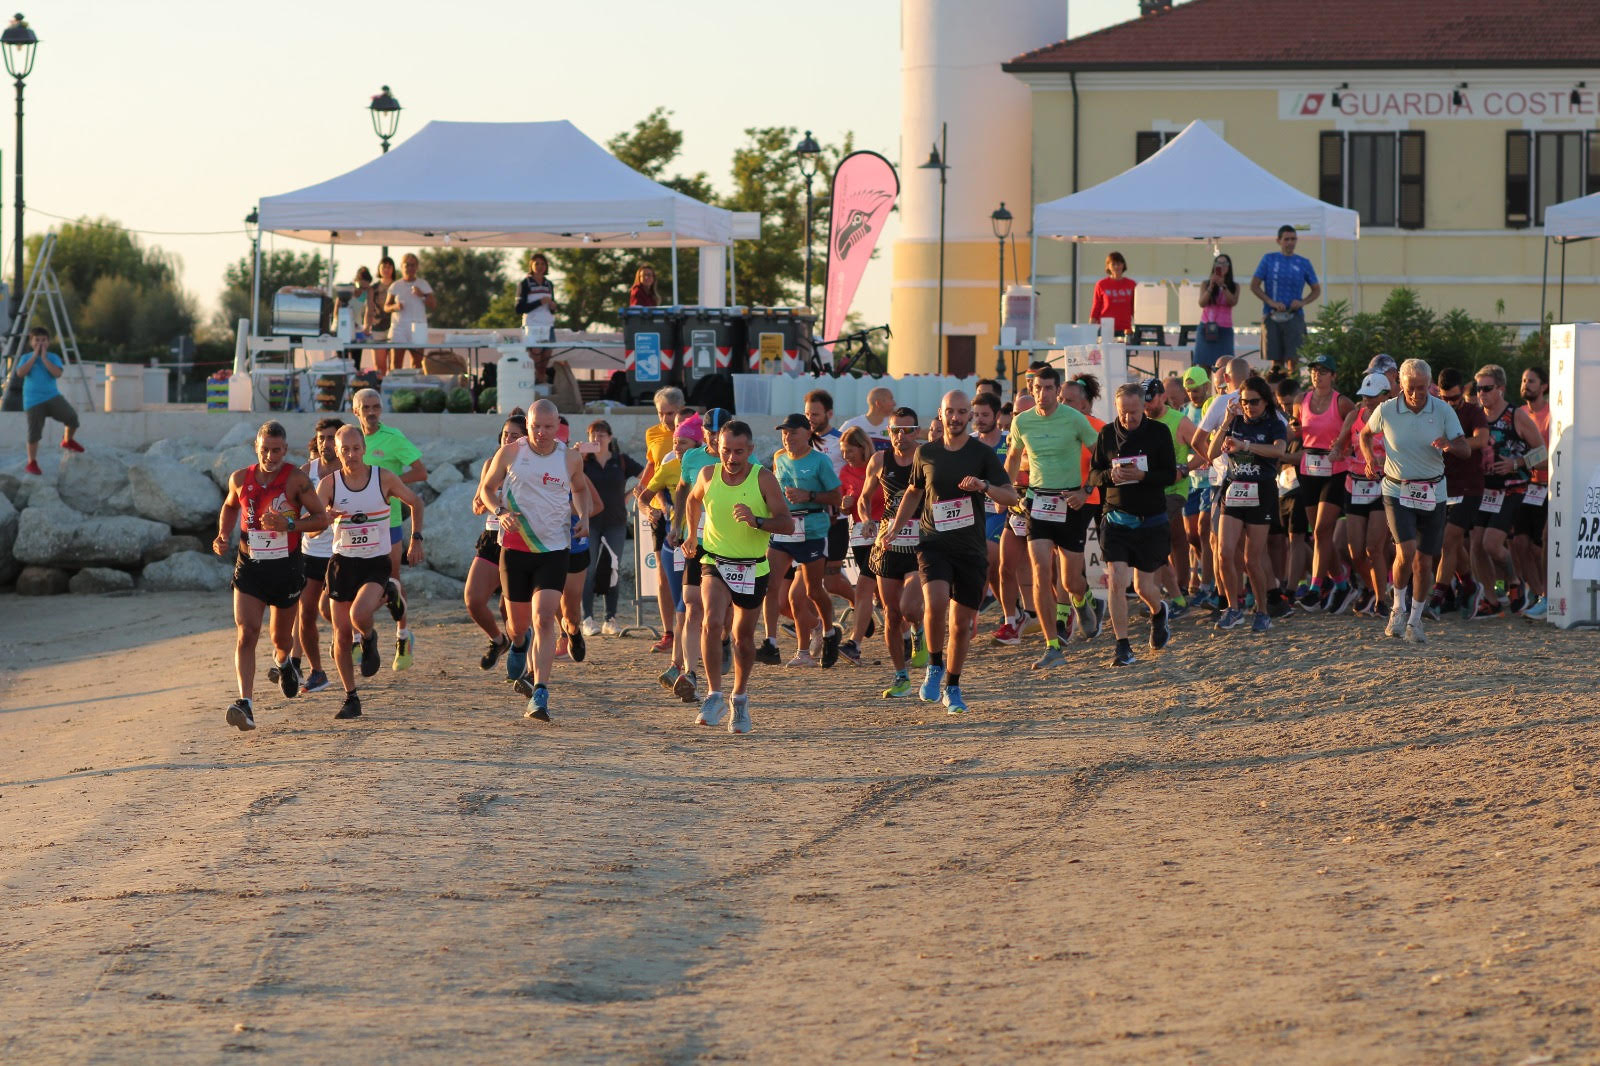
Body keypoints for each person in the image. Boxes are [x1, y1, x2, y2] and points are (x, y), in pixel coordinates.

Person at [880, 390, 1017, 714]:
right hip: (933, 542)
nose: (954, 418)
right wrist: (896, 526)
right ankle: (935, 665)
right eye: (949, 412)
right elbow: (913, 492)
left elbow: (1009, 497)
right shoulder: (926, 453)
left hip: (970, 548)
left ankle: (953, 687)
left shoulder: (981, 454)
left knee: (961, 624)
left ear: (969, 415)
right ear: (940, 415)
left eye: (960, 412)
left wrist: (984, 487)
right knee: (937, 601)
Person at [477, 399, 592, 720]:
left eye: (548, 427)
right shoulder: (512, 452)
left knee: (543, 618)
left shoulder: (569, 458)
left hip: (554, 550)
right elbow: (487, 489)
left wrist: (583, 515)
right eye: (535, 427)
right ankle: (516, 643)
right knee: (519, 626)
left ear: (558, 427)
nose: (541, 433)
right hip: (514, 550)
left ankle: (540, 692)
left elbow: (580, 490)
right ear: (527, 425)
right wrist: (499, 511)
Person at [213, 420, 331, 731]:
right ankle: (246, 704)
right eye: (265, 450)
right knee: (247, 632)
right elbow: (228, 507)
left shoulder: (297, 480)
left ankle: (284, 664)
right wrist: (223, 534)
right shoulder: (240, 478)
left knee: (281, 638)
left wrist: (290, 526)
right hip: (249, 567)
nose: (270, 456)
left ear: (285, 449)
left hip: (286, 568)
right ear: (256, 448)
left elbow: (321, 519)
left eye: (276, 450)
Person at [683, 419, 795, 734]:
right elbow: (693, 501)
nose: (731, 459)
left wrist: (756, 520)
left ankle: (740, 697)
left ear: (750, 450)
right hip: (715, 560)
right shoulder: (707, 474)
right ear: (717, 448)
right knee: (711, 621)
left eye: (739, 452)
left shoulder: (764, 479)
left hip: (752, 566)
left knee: (742, 637)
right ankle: (714, 695)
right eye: (726, 451)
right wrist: (692, 535)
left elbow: (786, 524)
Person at [316, 425, 425, 721]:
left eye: (355, 448)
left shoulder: (383, 478)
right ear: (336, 452)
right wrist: (324, 519)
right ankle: (351, 697)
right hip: (342, 563)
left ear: (364, 449)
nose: (351, 454)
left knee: (359, 615)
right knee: (339, 635)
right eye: (344, 449)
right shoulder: (329, 485)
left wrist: (415, 539)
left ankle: (369, 634)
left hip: (375, 561)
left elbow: (415, 502)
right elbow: (312, 528)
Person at [1360, 358, 1468, 644]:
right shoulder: (1386, 410)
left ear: (1429, 384)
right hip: (1397, 489)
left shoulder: (1442, 410)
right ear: (1400, 384)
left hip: (1434, 491)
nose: (1417, 393)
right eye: (1411, 387)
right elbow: (1364, 434)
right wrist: (1370, 458)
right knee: (1405, 551)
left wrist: (1450, 445)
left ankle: (1415, 620)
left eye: (1422, 387)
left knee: (1424, 561)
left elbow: (1465, 448)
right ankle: (1397, 608)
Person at [1005, 365, 1102, 669]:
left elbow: (1101, 456)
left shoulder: (1074, 419)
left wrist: (1086, 492)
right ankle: (1052, 645)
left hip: (1070, 501)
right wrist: (1006, 492)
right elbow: (1011, 457)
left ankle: (1082, 598)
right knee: (1040, 569)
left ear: (1057, 390)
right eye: (1038, 388)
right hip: (1037, 501)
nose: (1043, 394)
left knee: (1070, 579)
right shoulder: (1022, 421)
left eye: (1049, 388)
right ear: (1031, 389)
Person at [1090, 383, 1179, 666]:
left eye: (1134, 412)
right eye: (1123, 413)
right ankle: (1122, 646)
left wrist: (1142, 476)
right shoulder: (1106, 434)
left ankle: (1158, 610)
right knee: (1117, 581)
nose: (1128, 418)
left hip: (1151, 520)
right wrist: (1109, 476)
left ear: (1144, 407)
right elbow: (1093, 474)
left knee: (1144, 588)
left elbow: (1169, 475)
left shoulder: (1158, 432)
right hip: (1116, 518)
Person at [353, 388, 428, 670]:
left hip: (389, 521)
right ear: (355, 411)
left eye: (376, 407)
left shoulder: (393, 438)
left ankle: (403, 636)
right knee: (354, 579)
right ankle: (359, 637)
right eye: (366, 407)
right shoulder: (350, 440)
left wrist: (390, 485)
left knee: (392, 580)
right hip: (354, 522)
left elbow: (421, 472)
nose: (372, 412)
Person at [762, 412, 843, 668]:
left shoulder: (820, 461)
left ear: (807, 433)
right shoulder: (778, 458)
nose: (787, 438)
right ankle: (770, 644)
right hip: (784, 527)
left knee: (812, 591)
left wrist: (807, 494)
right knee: (770, 586)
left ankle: (829, 633)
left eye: (792, 432)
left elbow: (836, 496)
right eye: (784, 433)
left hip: (812, 528)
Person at [1467, 363, 1546, 620]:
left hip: (1514, 488)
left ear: (1500, 389)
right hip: (1485, 489)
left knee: (1492, 544)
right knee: (1476, 546)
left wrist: (1516, 463)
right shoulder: (1477, 416)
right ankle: (1490, 599)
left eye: (1487, 388)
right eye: (1479, 389)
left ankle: (1514, 581)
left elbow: (1543, 452)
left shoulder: (1516, 415)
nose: (1482, 394)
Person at [667, 408, 733, 704]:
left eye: (719, 430)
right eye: (709, 431)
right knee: (692, 603)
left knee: (723, 608)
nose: (714, 436)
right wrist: (678, 524)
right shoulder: (693, 458)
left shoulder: (741, 457)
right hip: (699, 539)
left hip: (732, 543)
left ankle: (724, 639)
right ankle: (691, 673)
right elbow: (682, 490)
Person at [1214, 375, 1289, 634]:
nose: (1248, 407)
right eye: (1244, 402)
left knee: (1251, 559)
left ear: (1266, 401)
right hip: (1234, 489)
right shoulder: (1235, 420)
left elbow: (1279, 451)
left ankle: (1262, 610)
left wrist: (1245, 445)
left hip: (1261, 492)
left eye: (1254, 402)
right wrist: (1225, 422)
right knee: (1224, 552)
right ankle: (1233, 608)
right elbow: (1211, 452)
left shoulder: (1274, 423)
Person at [862, 407, 926, 698]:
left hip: (920, 542)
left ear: (917, 431)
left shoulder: (926, 458)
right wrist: (866, 520)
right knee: (891, 613)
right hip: (888, 542)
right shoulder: (879, 460)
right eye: (894, 431)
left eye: (906, 430)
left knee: (910, 608)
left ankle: (918, 631)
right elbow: (864, 498)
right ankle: (901, 676)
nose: (900, 436)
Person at [1291, 354, 1356, 611]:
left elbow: (1358, 427)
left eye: (1324, 371)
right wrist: (1294, 428)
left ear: (1334, 375)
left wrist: (1344, 445)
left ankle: (1316, 587)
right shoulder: (1301, 400)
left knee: (1320, 531)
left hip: (1336, 469)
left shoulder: (1342, 402)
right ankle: (1341, 583)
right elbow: (1297, 430)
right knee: (1320, 535)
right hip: (1309, 467)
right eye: (1314, 370)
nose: (1318, 375)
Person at [466, 415, 527, 670]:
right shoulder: (491, 463)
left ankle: (522, 659)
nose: (508, 439)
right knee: (473, 599)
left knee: (510, 609)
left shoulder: (529, 464)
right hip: (492, 536)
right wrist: (480, 503)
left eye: (514, 435)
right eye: (505, 434)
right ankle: (497, 639)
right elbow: (477, 504)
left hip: (519, 537)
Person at [1428, 368, 1490, 620]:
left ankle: (1437, 596)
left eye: (1454, 399)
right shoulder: (1436, 411)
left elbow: (1482, 440)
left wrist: (1452, 445)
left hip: (1470, 487)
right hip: (1443, 486)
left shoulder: (1473, 412)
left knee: (1448, 540)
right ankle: (1470, 586)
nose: (1450, 404)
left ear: (1462, 393)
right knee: (1450, 543)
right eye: (1445, 399)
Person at [1330, 372, 1394, 616]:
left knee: (1373, 548)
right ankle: (1371, 587)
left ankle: (1380, 600)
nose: (1367, 401)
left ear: (1386, 396)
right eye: (1365, 396)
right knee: (1354, 550)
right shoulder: (1355, 415)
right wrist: (1336, 450)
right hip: (1354, 484)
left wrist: (1383, 459)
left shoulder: (1393, 418)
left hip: (1382, 485)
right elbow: (1342, 443)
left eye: (1372, 397)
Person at [294, 418, 345, 694]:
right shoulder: (305, 473)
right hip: (310, 552)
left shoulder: (351, 473)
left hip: (343, 553)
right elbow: (297, 515)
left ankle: (360, 638)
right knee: (306, 613)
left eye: (331, 437)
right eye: (322, 438)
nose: (326, 443)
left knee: (333, 612)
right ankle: (317, 671)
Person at [580, 420, 644, 635]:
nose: (597, 439)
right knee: (587, 571)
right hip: (589, 522)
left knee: (611, 569)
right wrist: (576, 455)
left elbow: (647, 476)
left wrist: (629, 495)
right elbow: (567, 479)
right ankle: (587, 618)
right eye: (593, 435)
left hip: (615, 521)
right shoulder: (583, 462)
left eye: (601, 434)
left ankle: (610, 618)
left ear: (610, 437)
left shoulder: (621, 461)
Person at [1142, 377, 1198, 614]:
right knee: (1170, 540)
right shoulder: (1139, 420)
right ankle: (1176, 596)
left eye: (1151, 401)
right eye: (1143, 402)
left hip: (1174, 490)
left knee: (1154, 540)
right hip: (1147, 490)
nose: (1147, 406)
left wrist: (1184, 468)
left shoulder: (1179, 421)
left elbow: (1205, 451)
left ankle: (1163, 597)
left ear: (1163, 396)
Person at [635, 387, 684, 654]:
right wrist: (642, 486)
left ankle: (691, 628)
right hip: (660, 512)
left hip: (689, 513)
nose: (665, 419)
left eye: (671, 413)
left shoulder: (692, 431)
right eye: (661, 413)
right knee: (664, 575)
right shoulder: (652, 433)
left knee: (690, 574)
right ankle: (669, 633)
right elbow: (653, 465)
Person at [1249, 225, 1321, 374]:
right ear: (1278, 241)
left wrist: (1302, 302)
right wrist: (1271, 302)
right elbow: (1254, 285)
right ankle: (1277, 392)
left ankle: (1293, 393)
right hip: (1272, 315)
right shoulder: (1269, 259)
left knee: (1294, 359)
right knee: (1276, 362)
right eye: (1286, 239)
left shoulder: (1303, 262)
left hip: (1294, 316)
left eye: (1293, 239)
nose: (1290, 242)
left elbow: (1316, 290)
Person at [836, 425, 880, 665]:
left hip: (885, 533)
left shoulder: (878, 466)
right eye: (843, 451)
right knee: (878, 594)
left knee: (867, 589)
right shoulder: (845, 472)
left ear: (863, 448)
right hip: (861, 535)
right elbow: (844, 508)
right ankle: (908, 636)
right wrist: (844, 504)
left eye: (850, 450)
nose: (846, 456)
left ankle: (855, 643)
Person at [16, 326, 83, 475]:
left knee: (72, 417)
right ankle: (32, 462)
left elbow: (57, 373)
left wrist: (44, 358)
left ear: (49, 342)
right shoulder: (25, 358)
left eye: (43, 340)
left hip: (52, 397)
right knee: (34, 433)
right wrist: (34, 357)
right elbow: (20, 373)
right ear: (31, 342)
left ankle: (67, 440)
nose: (40, 343)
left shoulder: (53, 357)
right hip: (33, 401)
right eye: (37, 340)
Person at [1514, 365, 1552, 618]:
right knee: (1518, 544)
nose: (1526, 384)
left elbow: (1549, 456)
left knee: (1542, 546)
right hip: (1525, 488)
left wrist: (1519, 463)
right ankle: (1537, 593)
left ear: (1544, 386)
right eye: (1524, 380)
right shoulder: (1517, 414)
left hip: (1550, 488)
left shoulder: (1553, 414)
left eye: (1532, 381)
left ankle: (1547, 595)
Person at [384, 252, 436, 370]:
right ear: (402, 267)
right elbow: (386, 307)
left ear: (417, 267)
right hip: (399, 328)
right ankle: (396, 387)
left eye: (413, 265)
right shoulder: (395, 285)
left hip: (418, 327)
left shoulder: (423, 284)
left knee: (418, 364)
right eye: (407, 265)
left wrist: (422, 295)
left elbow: (433, 305)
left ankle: (414, 387)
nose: (410, 268)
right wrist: (395, 307)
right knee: (396, 365)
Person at [516, 252, 559, 382]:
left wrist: (553, 306)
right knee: (536, 355)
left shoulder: (549, 284)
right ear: (531, 265)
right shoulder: (525, 283)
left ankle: (542, 379)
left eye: (543, 264)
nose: (540, 266)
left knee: (547, 355)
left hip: (548, 325)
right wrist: (539, 302)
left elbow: (552, 307)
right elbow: (519, 308)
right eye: (537, 263)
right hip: (533, 325)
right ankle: (536, 382)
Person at [1192, 253, 1238, 371]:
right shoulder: (1206, 283)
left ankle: (1222, 389)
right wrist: (1211, 287)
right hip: (1207, 327)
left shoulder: (1234, 286)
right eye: (1218, 263)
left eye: (1224, 264)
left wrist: (1223, 286)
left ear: (1229, 267)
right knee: (1203, 365)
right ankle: (1204, 389)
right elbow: (1202, 303)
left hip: (1224, 329)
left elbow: (1232, 301)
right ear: (1214, 266)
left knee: (1224, 366)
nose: (1221, 266)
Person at [1089, 251, 1136, 336]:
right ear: (1108, 267)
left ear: (1123, 265)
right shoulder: (1101, 284)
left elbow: (1135, 307)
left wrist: (1140, 326)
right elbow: (1096, 307)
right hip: (1105, 328)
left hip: (1125, 329)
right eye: (1113, 264)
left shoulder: (1131, 284)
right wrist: (1090, 329)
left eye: (1119, 264)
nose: (1116, 267)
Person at [840, 386, 897, 452]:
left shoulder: (894, 426)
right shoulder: (851, 425)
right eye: (891, 399)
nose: (894, 404)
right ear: (878, 403)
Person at [366, 256, 396, 375]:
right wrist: (367, 325)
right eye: (384, 267)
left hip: (394, 328)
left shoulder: (397, 285)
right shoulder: (373, 288)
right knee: (380, 367)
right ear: (379, 269)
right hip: (377, 328)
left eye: (389, 267)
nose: (386, 269)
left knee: (394, 367)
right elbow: (369, 308)